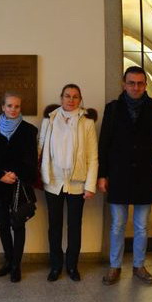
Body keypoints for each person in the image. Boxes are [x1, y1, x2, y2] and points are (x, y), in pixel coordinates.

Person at [99, 66, 152, 286]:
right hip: (118, 174)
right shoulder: (112, 108)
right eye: (131, 83)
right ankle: (115, 266)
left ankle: (139, 265)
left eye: (140, 83)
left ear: (145, 85)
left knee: (141, 226)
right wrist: (102, 175)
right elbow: (104, 144)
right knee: (118, 224)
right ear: (124, 84)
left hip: (145, 175)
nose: (136, 87)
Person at [38, 84, 98, 282]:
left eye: (75, 96)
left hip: (77, 183)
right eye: (67, 96)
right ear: (61, 97)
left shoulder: (87, 122)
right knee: (54, 226)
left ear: (80, 99)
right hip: (53, 182)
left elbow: (93, 156)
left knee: (74, 226)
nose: (71, 100)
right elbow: (40, 148)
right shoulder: (50, 119)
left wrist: (90, 186)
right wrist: (39, 176)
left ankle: (72, 266)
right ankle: (56, 266)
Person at [0, 92, 38, 283]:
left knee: (18, 225)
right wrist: (0, 176)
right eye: (9, 106)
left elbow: (31, 160)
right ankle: (8, 260)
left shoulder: (29, 131)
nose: (13, 109)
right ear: (3, 107)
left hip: (19, 186)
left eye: (17, 106)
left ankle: (16, 265)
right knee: (3, 225)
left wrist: (14, 174)